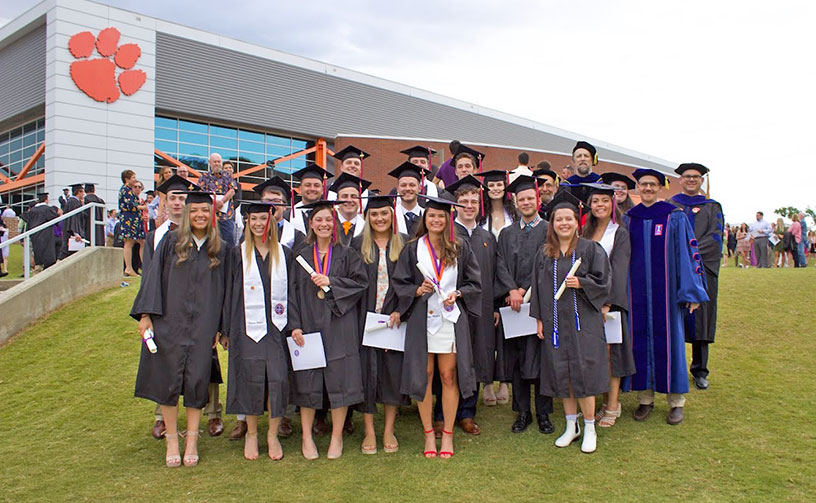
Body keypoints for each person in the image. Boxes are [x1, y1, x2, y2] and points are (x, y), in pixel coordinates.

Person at [131, 190, 227, 467]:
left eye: (205, 211)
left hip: (204, 326)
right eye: (194, 210)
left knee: (197, 381)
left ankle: (193, 440)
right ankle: (173, 438)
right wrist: (146, 315)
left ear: (212, 215)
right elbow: (152, 280)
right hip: (169, 323)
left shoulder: (220, 248)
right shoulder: (171, 242)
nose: (200, 215)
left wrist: (221, 328)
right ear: (186, 214)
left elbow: (227, 292)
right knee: (168, 381)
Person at [391, 195, 481, 459]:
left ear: (447, 219)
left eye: (441, 216)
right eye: (432, 216)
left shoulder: (460, 247)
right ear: (425, 219)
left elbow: (475, 282)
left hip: (449, 319)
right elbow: (401, 282)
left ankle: (448, 435)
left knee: (449, 375)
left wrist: (459, 294)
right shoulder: (412, 248)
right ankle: (429, 433)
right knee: (424, 376)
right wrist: (417, 289)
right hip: (422, 319)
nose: (436, 220)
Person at [627, 168, 709, 426]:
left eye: (652, 184)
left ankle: (676, 402)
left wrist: (691, 291)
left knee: (671, 345)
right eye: (643, 184)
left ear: (661, 188)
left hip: (667, 296)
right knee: (638, 343)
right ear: (637, 188)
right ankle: (645, 398)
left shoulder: (674, 217)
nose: (648, 189)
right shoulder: (630, 218)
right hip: (636, 295)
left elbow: (688, 255)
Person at [288, 200, 368, 460]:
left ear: (334, 224)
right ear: (310, 223)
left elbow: (360, 284)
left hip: (339, 324)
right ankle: (306, 436)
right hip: (308, 323)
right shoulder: (299, 255)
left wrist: (331, 281)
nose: (323, 224)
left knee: (340, 378)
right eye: (318, 219)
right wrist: (295, 324)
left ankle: (336, 438)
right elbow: (290, 293)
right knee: (307, 380)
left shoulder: (347, 254)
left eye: (327, 220)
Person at [531, 200, 610, 453]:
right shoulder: (544, 254)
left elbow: (605, 283)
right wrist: (540, 319)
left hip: (583, 324)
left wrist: (583, 283)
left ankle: (589, 428)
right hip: (555, 324)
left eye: (569, 219)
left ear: (577, 223)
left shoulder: (590, 249)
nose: (564, 223)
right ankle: (570, 426)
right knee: (562, 372)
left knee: (583, 374)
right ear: (552, 225)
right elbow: (538, 288)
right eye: (559, 219)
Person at [222, 201, 293, 461]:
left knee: (277, 379)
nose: (259, 224)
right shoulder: (237, 253)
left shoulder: (284, 254)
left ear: (271, 221)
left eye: (264, 218)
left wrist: (294, 325)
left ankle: (272, 434)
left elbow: (293, 293)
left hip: (277, 328)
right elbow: (228, 292)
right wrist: (226, 329)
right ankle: (252, 433)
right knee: (249, 378)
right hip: (245, 327)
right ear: (248, 222)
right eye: (254, 219)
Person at [494, 175, 558, 435]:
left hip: (539, 302)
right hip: (514, 306)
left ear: (538, 199)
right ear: (516, 202)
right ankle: (523, 412)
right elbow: (499, 263)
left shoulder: (548, 230)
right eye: (522, 199)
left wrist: (524, 290)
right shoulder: (507, 233)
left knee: (542, 359)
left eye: (531, 198)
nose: (527, 202)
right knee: (519, 359)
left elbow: (548, 265)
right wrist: (510, 289)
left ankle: (543, 413)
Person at [350, 195, 409, 455]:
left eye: (384, 213)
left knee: (391, 374)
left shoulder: (405, 245)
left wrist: (400, 310)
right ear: (367, 217)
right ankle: (369, 430)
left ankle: (388, 429)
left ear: (392, 215)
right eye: (374, 214)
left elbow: (409, 282)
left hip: (394, 321)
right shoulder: (355, 246)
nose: (380, 218)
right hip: (365, 320)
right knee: (366, 374)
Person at [445, 176, 498, 435]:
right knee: (450, 359)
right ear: (455, 205)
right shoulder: (447, 235)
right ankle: (442, 412)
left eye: (473, 201)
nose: (469, 205)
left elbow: (496, 274)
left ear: (480, 204)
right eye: (463, 201)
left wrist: (496, 307)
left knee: (475, 358)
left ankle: (467, 412)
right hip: (453, 308)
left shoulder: (487, 236)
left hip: (483, 308)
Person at [580, 183, 635, 428]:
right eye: (595, 201)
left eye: (604, 201)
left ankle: (612, 405)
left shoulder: (619, 232)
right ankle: (601, 403)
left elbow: (620, 270)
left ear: (613, 203)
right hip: (586, 301)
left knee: (611, 355)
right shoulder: (585, 231)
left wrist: (607, 303)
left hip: (608, 305)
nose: (599, 205)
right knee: (594, 355)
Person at [670, 163, 724, 390]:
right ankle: (674, 365)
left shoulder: (713, 207)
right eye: (687, 176)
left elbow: (716, 237)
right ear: (680, 180)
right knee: (673, 317)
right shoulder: (670, 206)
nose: (691, 180)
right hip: (675, 269)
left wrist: (689, 254)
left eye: (695, 177)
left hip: (703, 270)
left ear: (702, 180)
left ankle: (700, 370)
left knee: (702, 319)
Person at [252, 176, 306, 253]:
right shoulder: (251, 232)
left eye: (276, 201)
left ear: (284, 206)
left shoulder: (297, 236)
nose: (271, 205)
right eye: (267, 201)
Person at [198, 153, 237, 247]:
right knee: (209, 245)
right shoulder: (204, 177)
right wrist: (214, 204)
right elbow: (200, 192)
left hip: (225, 217)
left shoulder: (227, 175)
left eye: (219, 161)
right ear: (210, 163)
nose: (217, 164)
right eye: (214, 161)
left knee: (228, 245)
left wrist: (222, 202)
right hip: (209, 217)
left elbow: (232, 190)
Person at [290, 164, 333, 235]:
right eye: (308, 185)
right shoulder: (288, 216)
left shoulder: (332, 213)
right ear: (300, 189)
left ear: (322, 190)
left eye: (316, 185)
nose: (312, 189)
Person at [328, 173, 370, 246]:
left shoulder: (366, 228)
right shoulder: (328, 226)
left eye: (354, 196)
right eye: (344, 196)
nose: (349, 200)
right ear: (337, 200)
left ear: (360, 200)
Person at [389, 161, 429, 237]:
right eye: (403, 185)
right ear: (397, 189)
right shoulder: (390, 217)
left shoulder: (427, 216)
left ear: (419, 188)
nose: (407, 188)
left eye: (412, 185)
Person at [119, 170, 146, 276]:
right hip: (128, 219)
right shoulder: (125, 190)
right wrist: (144, 207)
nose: (135, 180)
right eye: (133, 178)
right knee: (129, 242)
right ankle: (129, 268)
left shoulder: (129, 190)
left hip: (134, 219)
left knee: (142, 242)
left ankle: (145, 265)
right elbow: (131, 205)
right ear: (127, 179)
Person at [22, 192, 59, 270]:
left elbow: (28, 223)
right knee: (47, 256)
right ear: (46, 199)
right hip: (45, 235)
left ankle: (38, 267)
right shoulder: (47, 209)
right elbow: (55, 219)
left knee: (37, 253)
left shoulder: (33, 210)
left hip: (35, 235)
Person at [58, 183, 88, 260]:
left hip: (71, 231)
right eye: (82, 192)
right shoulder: (73, 202)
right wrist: (76, 233)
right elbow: (73, 218)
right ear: (78, 192)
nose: (83, 194)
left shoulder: (74, 201)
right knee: (67, 253)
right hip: (71, 233)